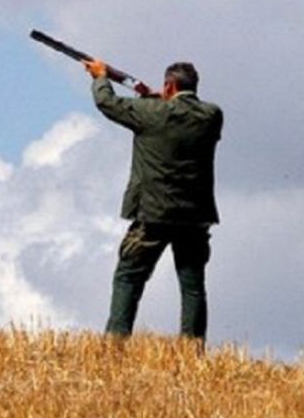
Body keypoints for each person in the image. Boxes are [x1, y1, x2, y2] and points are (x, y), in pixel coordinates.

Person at [83, 58, 222, 342]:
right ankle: (192, 349)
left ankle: (115, 345)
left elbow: (107, 104)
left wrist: (100, 77)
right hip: (195, 215)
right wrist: (158, 98)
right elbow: (179, 112)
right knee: (193, 286)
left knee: (129, 277)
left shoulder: (150, 112)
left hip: (152, 212)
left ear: (169, 85)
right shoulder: (212, 116)